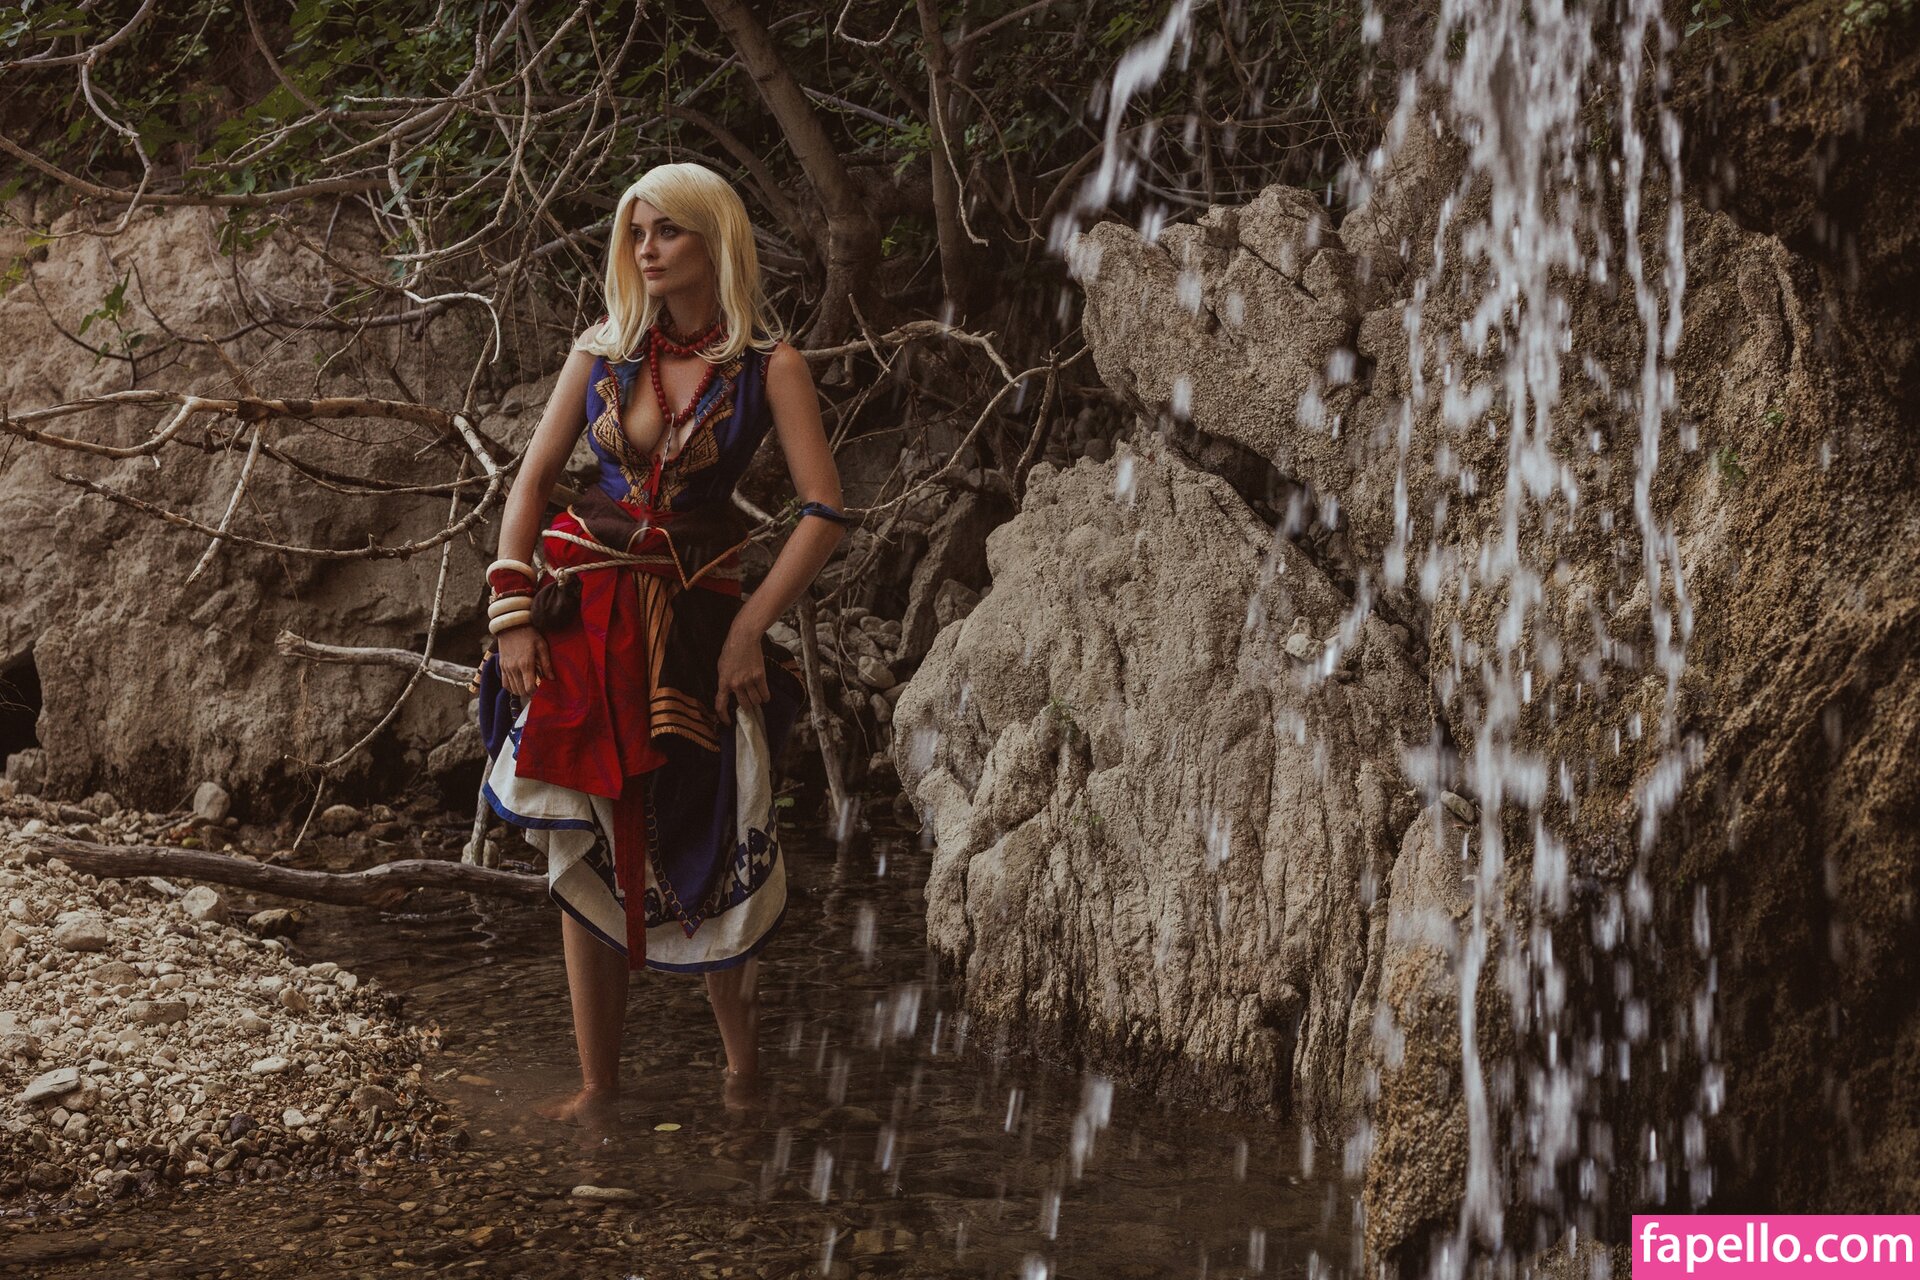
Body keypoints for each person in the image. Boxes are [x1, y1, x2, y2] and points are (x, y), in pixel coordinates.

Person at [475, 161, 849, 1121]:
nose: (646, 249)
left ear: (714, 238)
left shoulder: (771, 365)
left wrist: (751, 629)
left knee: (720, 828)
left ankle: (744, 1082)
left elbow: (823, 511)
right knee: (583, 837)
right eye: (636, 232)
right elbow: (531, 485)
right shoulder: (602, 351)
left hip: (697, 629)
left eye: (667, 231)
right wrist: (512, 613)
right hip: (583, 619)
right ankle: (598, 1089)